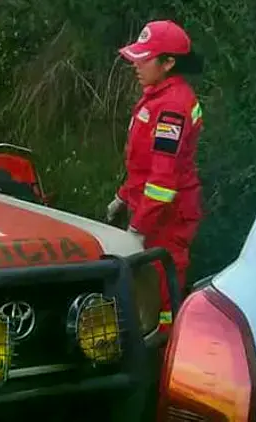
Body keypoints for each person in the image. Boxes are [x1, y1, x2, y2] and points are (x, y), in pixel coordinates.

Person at [106, 19, 205, 331]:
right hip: (153, 214)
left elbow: (163, 182)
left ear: (168, 63)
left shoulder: (172, 107)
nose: (136, 65)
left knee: (162, 298)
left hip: (167, 220)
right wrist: (123, 196)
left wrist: (137, 228)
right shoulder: (158, 96)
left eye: (144, 59)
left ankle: (162, 362)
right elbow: (144, 166)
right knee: (146, 292)